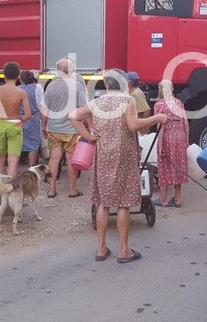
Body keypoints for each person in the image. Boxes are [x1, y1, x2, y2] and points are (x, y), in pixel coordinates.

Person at [68, 69, 168, 264]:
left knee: (103, 203)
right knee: (123, 203)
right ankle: (124, 250)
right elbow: (133, 125)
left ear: (106, 85)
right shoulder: (127, 101)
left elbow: (73, 116)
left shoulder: (96, 103)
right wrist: (157, 119)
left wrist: (89, 136)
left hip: (103, 155)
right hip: (124, 157)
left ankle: (101, 248)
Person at [41, 58, 87, 198]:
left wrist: (44, 125)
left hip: (53, 128)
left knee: (54, 159)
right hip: (72, 129)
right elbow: (83, 108)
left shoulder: (51, 85)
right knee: (71, 159)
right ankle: (72, 190)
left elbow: (44, 108)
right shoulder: (77, 86)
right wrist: (85, 126)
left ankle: (52, 190)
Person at [0, 62, 31, 179]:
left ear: (4, 75)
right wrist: (21, 120)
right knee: (13, 160)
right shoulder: (21, 92)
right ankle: (10, 187)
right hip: (15, 124)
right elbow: (28, 114)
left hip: (0, 123)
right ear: (18, 75)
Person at [151, 80, 189, 208]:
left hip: (167, 138)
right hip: (180, 138)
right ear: (172, 88)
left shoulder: (159, 105)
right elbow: (185, 123)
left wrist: (160, 144)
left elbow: (160, 126)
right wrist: (187, 141)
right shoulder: (179, 103)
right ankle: (178, 199)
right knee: (179, 167)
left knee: (164, 167)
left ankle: (164, 199)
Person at [18, 70, 44, 167]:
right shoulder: (37, 88)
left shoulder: (17, 89)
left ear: (21, 79)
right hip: (34, 118)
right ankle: (32, 166)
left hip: (20, 118)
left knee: (18, 142)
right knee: (33, 144)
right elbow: (41, 105)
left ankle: (15, 167)